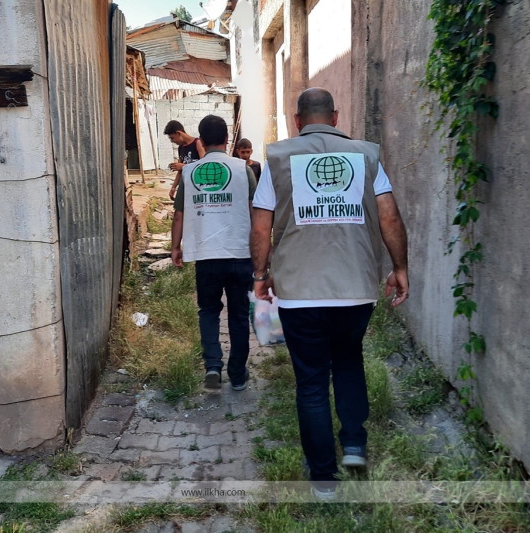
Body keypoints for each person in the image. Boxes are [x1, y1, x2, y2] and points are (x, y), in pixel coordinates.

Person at [249, 88, 409, 499]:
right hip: (355, 289)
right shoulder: (365, 155)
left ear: (298, 120)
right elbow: (389, 214)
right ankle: (354, 445)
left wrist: (260, 274)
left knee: (312, 382)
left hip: (300, 291)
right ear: (334, 117)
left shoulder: (279, 158)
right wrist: (400, 267)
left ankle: (323, 479)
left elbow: (261, 224)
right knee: (350, 361)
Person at [171, 115, 258, 391]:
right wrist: (262, 253)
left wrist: (176, 247)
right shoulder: (243, 170)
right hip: (240, 254)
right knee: (238, 314)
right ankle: (237, 374)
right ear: (227, 140)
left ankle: (212, 366)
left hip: (206, 256)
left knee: (208, 310)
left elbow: (179, 215)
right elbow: (257, 213)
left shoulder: (190, 172)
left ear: (201, 138)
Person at [164, 120, 206, 200]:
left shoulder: (198, 143)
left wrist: (184, 166)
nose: (172, 141)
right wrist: (173, 188)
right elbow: (180, 172)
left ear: (179, 133)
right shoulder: (181, 148)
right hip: (186, 186)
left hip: (198, 187)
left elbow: (204, 166)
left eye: (172, 138)